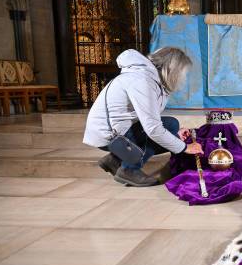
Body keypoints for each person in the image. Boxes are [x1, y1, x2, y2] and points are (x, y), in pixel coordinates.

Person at [83, 47, 203, 187]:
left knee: (171, 125)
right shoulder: (142, 81)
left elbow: (148, 119)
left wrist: (174, 135)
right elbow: (153, 129)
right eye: (182, 73)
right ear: (172, 70)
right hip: (110, 136)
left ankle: (115, 160)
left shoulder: (148, 77)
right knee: (167, 128)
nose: (183, 78)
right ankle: (129, 170)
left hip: (116, 131)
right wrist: (185, 147)